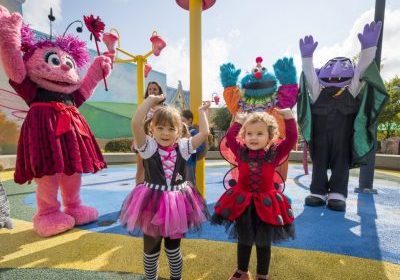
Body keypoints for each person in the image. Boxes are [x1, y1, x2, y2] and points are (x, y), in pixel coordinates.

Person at [298, 21, 388, 211]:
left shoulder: (352, 89)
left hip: (343, 136)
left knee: (342, 161)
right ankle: (318, 191)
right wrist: (307, 58)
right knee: (319, 161)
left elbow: (362, 70)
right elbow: (309, 76)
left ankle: (337, 193)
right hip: (320, 136)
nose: (336, 72)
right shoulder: (317, 91)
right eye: (331, 67)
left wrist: (368, 49)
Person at [120, 94, 210, 280]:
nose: (165, 133)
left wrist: (202, 112)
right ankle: (150, 278)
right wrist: (149, 102)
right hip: (151, 203)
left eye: (171, 129)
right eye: (160, 128)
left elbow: (204, 134)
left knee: (173, 249)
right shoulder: (148, 147)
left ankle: (176, 278)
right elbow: (136, 124)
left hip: (177, 204)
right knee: (151, 249)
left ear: (179, 131)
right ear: (152, 129)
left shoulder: (184, 147)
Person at [212, 109, 297, 280]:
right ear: (243, 136)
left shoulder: (274, 154)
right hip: (244, 204)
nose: (253, 137)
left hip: (266, 205)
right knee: (244, 239)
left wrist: (289, 118)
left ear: (270, 136)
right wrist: (238, 121)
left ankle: (262, 275)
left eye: (259, 133)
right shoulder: (241, 152)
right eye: (249, 133)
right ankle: (242, 271)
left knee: (263, 243)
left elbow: (292, 139)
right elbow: (230, 138)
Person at [134, 81, 164, 185]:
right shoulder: (144, 107)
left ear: (159, 91)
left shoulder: (163, 109)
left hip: (158, 142)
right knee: (140, 169)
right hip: (144, 140)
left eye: (155, 89)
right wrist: (135, 140)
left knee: (157, 171)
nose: (152, 91)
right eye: (150, 89)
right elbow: (138, 124)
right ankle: (139, 192)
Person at [181, 109, 206, 185]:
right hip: (181, 161)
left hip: (189, 162)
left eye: (183, 120)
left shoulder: (193, 131)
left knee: (189, 182)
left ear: (190, 120)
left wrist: (190, 149)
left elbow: (201, 146)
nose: (181, 123)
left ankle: (191, 195)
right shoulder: (180, 132)